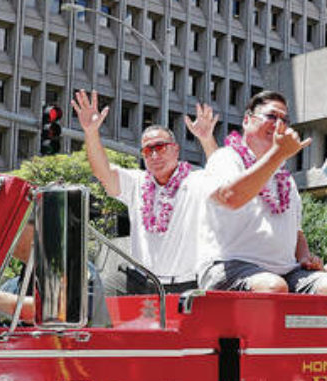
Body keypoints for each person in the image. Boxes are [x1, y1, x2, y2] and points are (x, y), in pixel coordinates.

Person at [198, 90, 327, 294]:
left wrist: (304, 256)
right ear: (246, 120)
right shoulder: (226, 158)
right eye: (271, 116)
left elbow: (297, 231)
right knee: (273, 287)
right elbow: (230, 198)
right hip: (229, 265)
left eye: (284, 120)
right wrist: (278, 155)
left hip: (285, 271)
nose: (278, 124)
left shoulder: (284, 177)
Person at [72, 90, 220, 293]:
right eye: (148, 151)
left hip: (186, 285)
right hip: (142, 285)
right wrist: (90, 132)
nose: (154, 155)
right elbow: (102, 172)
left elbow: (221, 176)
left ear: (176, 149)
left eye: (160, 147)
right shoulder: (137, 182)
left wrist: (206, 139)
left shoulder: (194, 179)